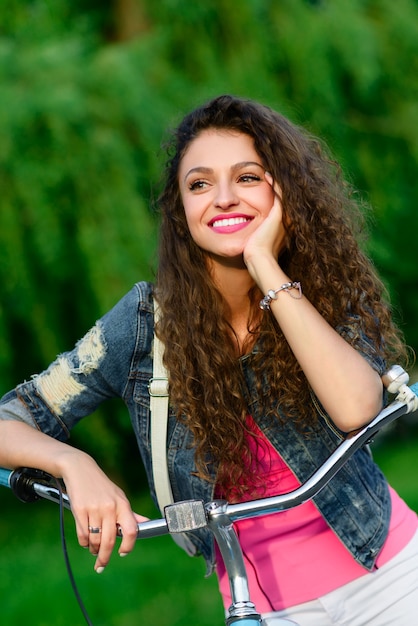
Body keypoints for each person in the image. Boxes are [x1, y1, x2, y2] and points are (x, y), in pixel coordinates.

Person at [0, 94, 417, 626]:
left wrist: (264, 263)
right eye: (199, 184)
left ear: (285, 192)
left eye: (247, 177)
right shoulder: (146, 322)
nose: (222, 198)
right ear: (182, 211)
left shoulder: (323, 291)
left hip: (390, 574)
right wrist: (73, 464)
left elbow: (356, 407)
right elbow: (9, 418)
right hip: (264, 605)